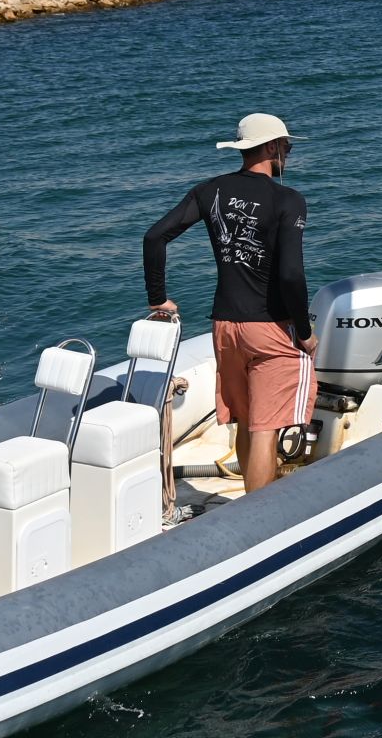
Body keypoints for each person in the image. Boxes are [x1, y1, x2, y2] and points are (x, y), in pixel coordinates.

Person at [144, 113, 312, 494]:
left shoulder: (210, 191)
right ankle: (260, 523)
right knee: (267, 428)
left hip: (224, 328)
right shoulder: (289, 200)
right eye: (286, 145)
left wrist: (158, 299)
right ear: (270, 148)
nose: (289, 151)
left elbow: (154, 237)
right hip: (271, 329)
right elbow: (290, 276)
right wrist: (304, 332)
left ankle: (249, 514)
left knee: (248, 420)